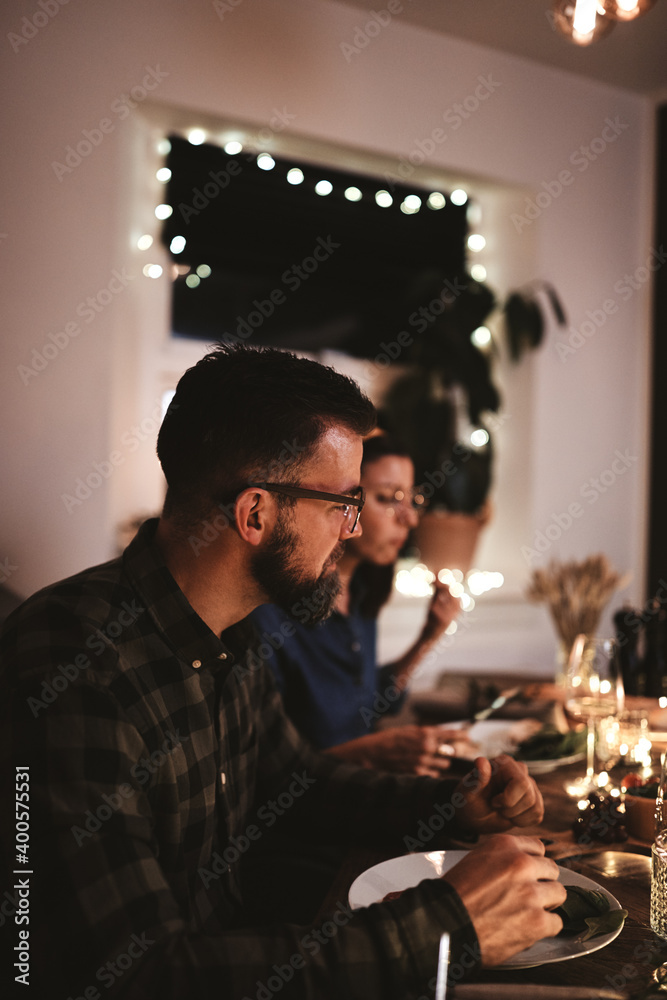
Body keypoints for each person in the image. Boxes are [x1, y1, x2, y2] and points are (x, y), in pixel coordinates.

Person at [0, 345, 565, 999]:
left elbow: (295, 783)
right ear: (255, 513)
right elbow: (144, 974)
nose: (351, 532)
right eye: (342, 505)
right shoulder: (73, 664)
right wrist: (445, 927)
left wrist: (450, 804)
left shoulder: (234, 628)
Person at [250, 433, 467, 777]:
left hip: (364, 791)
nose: (409, 520)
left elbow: (372, 704)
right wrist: (372, 753)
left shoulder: (361, 592)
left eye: (412, 500)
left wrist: (429, 636)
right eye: (387, 498)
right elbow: (265, 767)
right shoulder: (269, 613)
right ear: (341, 501)